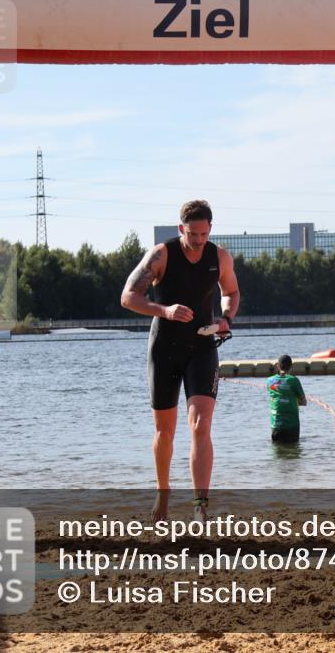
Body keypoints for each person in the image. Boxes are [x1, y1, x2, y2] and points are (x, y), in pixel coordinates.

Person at [121, 200, 240, 522]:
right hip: (164, 349)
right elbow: (128, 297)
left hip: (202, 347)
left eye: (204, 234)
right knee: (165, 431)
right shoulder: (161, 255)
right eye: (192, 234)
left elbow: (231, 292)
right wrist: (165, 310)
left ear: (210, 229)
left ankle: (200, 505)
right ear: (180, 229)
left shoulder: (220, 257)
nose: (198, 240)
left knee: (201, 425)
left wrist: (226, 318)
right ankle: (163, 494)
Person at [266, 354, 306, 444]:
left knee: (277, 449)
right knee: (293, 449)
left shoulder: (269, 381)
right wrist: (292, 400)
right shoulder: (294, 380)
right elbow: (304, 402)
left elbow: (278, 396)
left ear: (278, 366)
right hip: (291, 426)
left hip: (275, 426)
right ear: (291, 367)